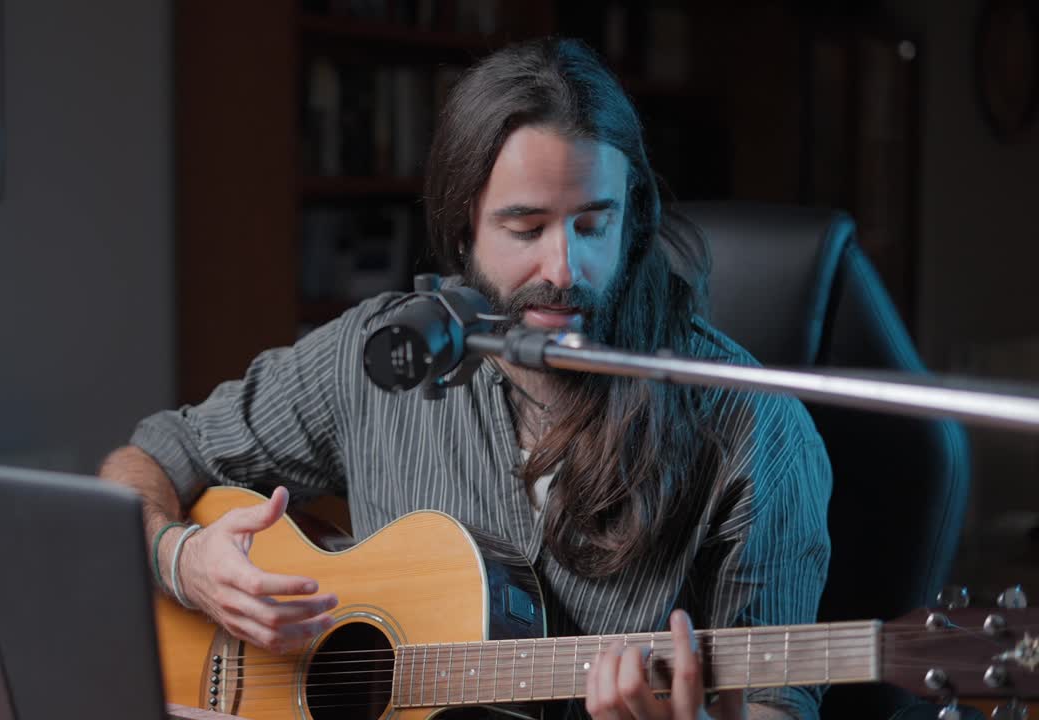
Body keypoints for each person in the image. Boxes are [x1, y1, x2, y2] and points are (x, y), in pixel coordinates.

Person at [100, 37, 831, 720]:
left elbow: (778, 701)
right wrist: (183, 559)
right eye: (526, 228)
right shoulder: (374, 354)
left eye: (592, 225)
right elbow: (150, 457)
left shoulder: (753, 425)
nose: (564, 271)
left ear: (632, 221)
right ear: (462, 230)